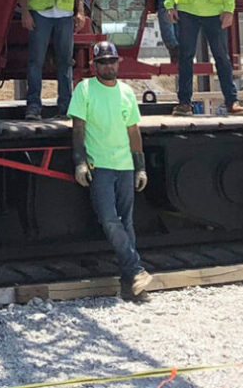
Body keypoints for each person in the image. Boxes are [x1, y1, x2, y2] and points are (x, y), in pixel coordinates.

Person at [69, 40, 155, 302]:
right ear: (95, 66)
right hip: (101, 165)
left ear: (118, 62)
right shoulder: (84, 90)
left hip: (125, 165)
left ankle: (131, 286)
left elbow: (133, 131)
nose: (107, 65)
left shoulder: (127, 92)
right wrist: (80, 162)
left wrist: (140, 166)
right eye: (102, 62)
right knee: (109, 219)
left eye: (111, 61)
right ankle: (136, 269)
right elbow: (78, 129)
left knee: (126, 222)